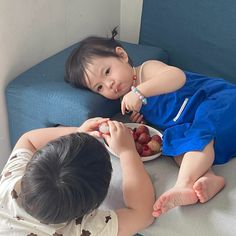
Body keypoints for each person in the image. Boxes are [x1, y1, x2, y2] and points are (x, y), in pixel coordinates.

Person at [65, 28, 236, 217]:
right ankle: (207, 178)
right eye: (100, 87)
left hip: (219, 101)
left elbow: (176, 77)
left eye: (107, 72)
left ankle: (183, 185)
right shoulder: (131, 102)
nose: (109, 84)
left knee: (199, 131)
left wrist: (140, 92)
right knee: (175, 144)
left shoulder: (147, 71)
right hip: (211, 130)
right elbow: (167, 114)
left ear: (122, 56)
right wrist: (144, 119)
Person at [0, 117, 155, 235]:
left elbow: (27, 139)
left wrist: (78, 132)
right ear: (93, 207)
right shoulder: (83, 229)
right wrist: (127, 151)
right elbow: (143, 214)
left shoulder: (9, 181)